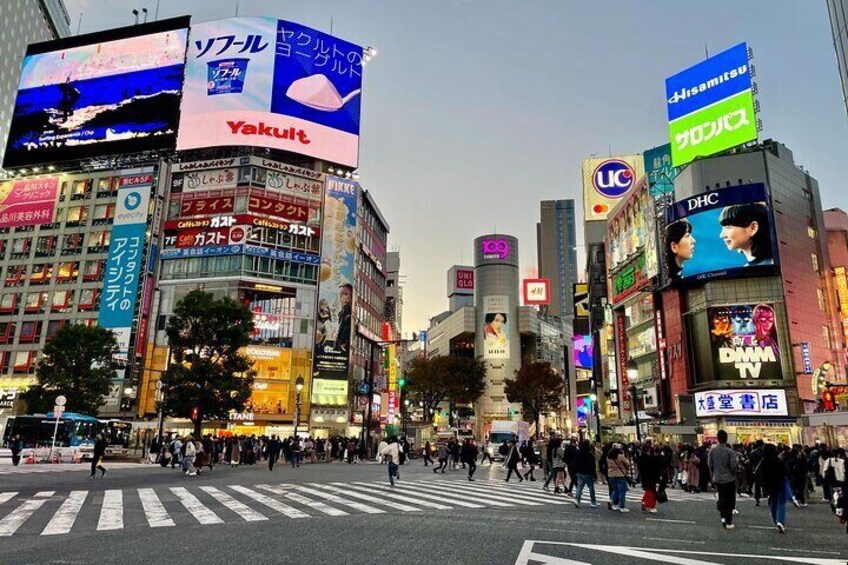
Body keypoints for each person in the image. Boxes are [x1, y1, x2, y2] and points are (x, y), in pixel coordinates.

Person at [708, 430, 739, 530]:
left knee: (722, 498)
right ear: (726, 438)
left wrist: (713, 475)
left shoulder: (712, 451)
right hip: (729, 479)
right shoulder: (730, 452)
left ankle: (723, 516)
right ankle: (728, 521)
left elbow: (710, 464)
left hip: (718, 478)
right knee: (730, 500)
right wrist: (734, 473)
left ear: (718, 438)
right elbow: (733, 466)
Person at [759, 443, 789, 533]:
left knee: (773, 502)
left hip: (769, 485)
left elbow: (761, 474)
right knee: (781, 503)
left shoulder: (763, 461)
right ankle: (780, 521)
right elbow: (786, 471)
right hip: (779, 483)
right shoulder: (778, 461)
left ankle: (776, 520)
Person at [572, 439, 599, 509]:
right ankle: (593, 502)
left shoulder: (577, 452)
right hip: (588, 472)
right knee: (591, 488)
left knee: (580, 486)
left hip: (579, 472)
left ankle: (577, 500)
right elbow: (592, 465)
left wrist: (575, 471)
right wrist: (594, 474)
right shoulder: (589, 454)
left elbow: (574, 463)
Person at [638, 444, 662, 514]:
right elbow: (655, 467)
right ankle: (649, 506)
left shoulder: (641, 458)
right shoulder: (650, 459)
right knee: (651, 492)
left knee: (648, 491)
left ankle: (645, 503)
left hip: (644, 477)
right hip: (651, 477)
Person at [606, 444, 630, 512]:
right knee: (622, 491)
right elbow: (628, 464)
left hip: (611, 475)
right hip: (620, 475)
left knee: (615, 489)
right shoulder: (620, 456)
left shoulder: (608, 457)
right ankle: (621, 506)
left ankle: (611, 501)